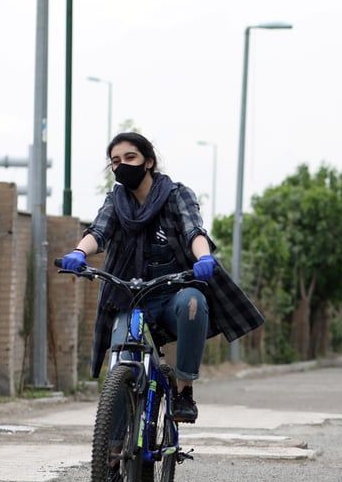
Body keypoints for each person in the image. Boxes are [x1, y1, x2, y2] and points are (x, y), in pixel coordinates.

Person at [59, 132, 264, 424]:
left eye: (130, 158)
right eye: (115, 161)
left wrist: (204, 258)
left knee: (194, 302)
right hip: (129, 297)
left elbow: (194, 231)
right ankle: (115, 452)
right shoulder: (115, 202)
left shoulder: (176, 195)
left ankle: (183, 390)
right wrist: (79, 252)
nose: (122, 166)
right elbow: (98, 231)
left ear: (149, 162)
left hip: (172, 296)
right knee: (121, 361)